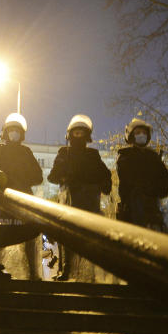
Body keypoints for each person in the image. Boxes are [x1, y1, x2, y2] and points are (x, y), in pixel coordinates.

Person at [48, 114, 112, 280]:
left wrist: (104, 184)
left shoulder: (93, 155)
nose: (78, 136)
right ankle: (66, 270)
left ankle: (89, 272)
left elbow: (105, 175)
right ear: (70, 135)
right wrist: (65, 176)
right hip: (69, 203)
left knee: (89, 240)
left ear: (87, 135)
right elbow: (52, 176)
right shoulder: (64, 153)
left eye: (81, 133)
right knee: (67, 238)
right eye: (75, 133)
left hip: (90, 204)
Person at [0, 112, 44, 279]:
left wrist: (20, 180)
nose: (14, 133)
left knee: (28, 237)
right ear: (5, 132)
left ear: (22, 134)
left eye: (17, 130)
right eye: (11, 130)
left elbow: (38, 176)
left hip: (23, 201)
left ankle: (32, 273)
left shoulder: (26, 152)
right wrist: (1, 178)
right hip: (1, 201)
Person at [116, 117, 168, 231]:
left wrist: (161, 188)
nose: (141, 135)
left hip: (154, 205)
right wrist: (144, 186)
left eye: (144, 132)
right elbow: (126, 178)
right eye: (137, 133)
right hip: (133, 206)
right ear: (131, 136)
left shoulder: (154, 156)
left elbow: (165, 178)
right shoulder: (125, 155)